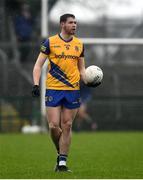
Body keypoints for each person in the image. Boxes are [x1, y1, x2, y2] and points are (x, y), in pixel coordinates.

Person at [32, 14, 100, 172]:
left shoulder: (79, 44)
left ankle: (62, 162)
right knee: (54, 126)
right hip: (53, 89)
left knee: (67, 125)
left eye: (76, 22)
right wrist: (36, 84)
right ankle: (59, 152)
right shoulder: (50, 42)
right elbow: (38, 66)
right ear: (62, 24)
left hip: (72, 90)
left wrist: (88, 81)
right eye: (71, 22)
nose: (74, 25)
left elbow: (82, 69)